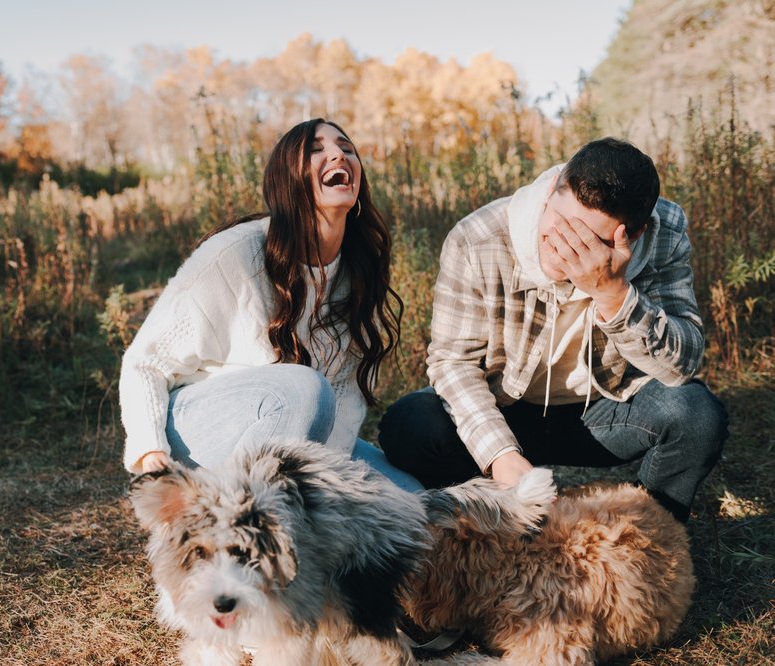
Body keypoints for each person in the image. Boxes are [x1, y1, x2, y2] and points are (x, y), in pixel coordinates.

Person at [379, 137, 728, 523]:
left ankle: (651, 540)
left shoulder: (666, 232)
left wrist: (615, 296)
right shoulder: (478, 238)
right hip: (505, 405)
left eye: (587, 240)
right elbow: (452, 363)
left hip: (607, 408)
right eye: (560, 224)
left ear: (634, 234)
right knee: (410, 424)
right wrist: (501, 456)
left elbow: (684, 362)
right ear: (552, 189)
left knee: (697, 416)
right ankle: (481, 526)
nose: (563, 246)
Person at [120, 118, 419, 491]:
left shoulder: (361, 269)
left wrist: (334, 489)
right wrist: (153, 459)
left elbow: (344, 399)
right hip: (199, 431)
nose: (337, 155)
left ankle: (292, 509)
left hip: (299, 440)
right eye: (316, 150)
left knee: (412, 500)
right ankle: (233, 521)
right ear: (286, 179)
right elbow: (145, 361)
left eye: (346, 147)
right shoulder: (234, 256)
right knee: (302, 389)